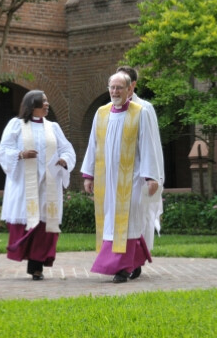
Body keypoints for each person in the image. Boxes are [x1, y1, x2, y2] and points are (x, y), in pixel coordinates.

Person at [81, 72, 162, 283]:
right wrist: (89, 175)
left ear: (130, 90)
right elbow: (93, 145)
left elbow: (147, 146)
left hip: (132, 179)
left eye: (120, 87)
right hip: (107, 180)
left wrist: (150, 177)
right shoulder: (101, 113)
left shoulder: (140, 113)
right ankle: (133, 262)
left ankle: (123, 268)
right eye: (112, 87)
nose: (115, 92)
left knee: (129, 220)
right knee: (112, 221)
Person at [0, 90, 76, 280]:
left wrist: (64, 160)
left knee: (45, 225)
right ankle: (29, 258)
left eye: (48, 101)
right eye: (43, 101)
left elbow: (67, 149)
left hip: (48, 184)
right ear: (32, 104)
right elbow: (3, 149)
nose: (47, 104)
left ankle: (37, 265)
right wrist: (20, 154)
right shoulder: (16, 125)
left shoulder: (53, 127)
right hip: (25, 184)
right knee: (29, 223)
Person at [117, 66, 164, 252]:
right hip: (116, 177)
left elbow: (151, 145)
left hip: (138, 175)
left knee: (138, 217)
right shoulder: (109, 110)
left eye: (123, 83)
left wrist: (152, 176)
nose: (118, 88)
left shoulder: (144, 108)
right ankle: (122, 258)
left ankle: (137, 258)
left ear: (132, 85)